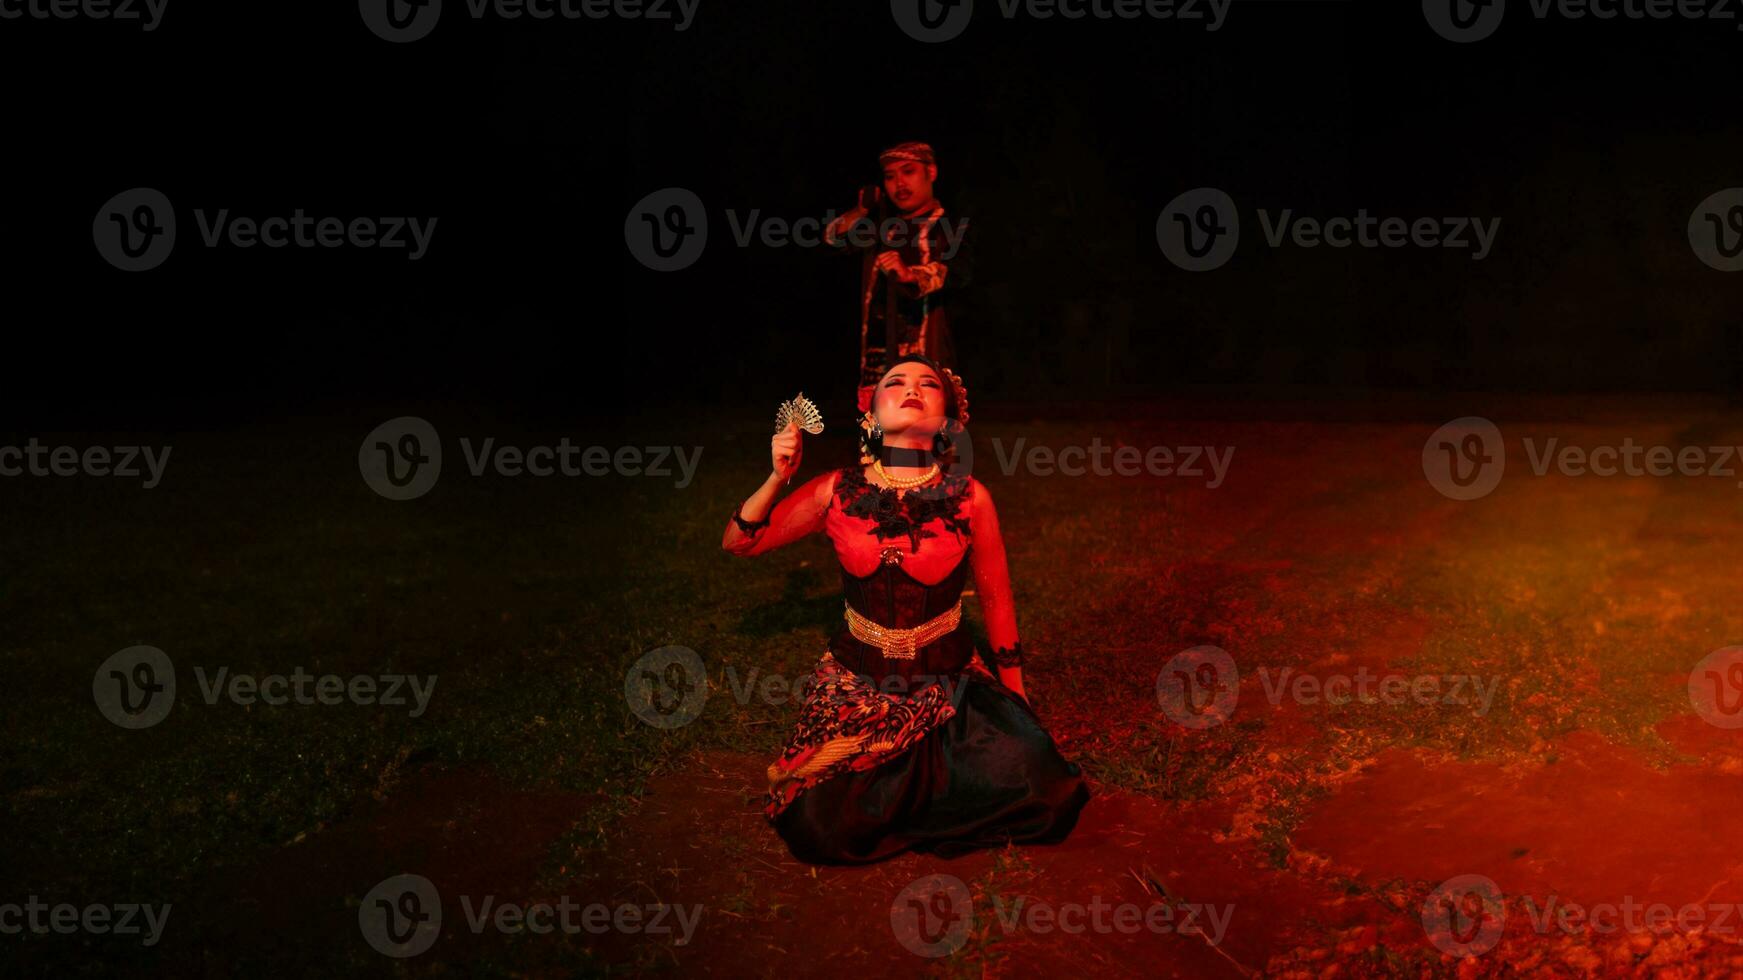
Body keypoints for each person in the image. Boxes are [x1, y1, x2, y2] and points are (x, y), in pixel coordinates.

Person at [722, 355, 1088, 864]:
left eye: (927, 385)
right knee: (818, 828)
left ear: (946, 421)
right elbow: (739, 542)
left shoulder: (970, 497)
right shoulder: (838, 491)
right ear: (870, 414)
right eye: (896, 382)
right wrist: (776, 477)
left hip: (949, 682)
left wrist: (1017, 697)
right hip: (860, 683)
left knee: (1047, 788)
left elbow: (997, 598)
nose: (911, 388)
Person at [825, 142, 972, 410]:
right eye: (890, 177)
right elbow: (834, 240)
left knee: (927, 437)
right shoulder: (883, 229)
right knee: (878, 439)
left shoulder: (949, 226)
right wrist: (861, 210)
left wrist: (911, 275)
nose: (899, 184)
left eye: (908, 172)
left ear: (932, 172)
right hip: (880, 357)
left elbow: (960, 273)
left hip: (929, 352)